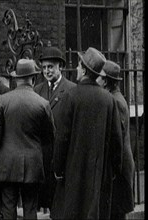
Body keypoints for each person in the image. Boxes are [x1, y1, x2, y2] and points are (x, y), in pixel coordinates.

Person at [51, 47, 123, 219]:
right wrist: (113, 170)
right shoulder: (108, 100)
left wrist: (58, 168)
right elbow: (116, 140)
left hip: (73, 171)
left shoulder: (70, 96)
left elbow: (62, 138)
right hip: (99, 173)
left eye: (78, 65)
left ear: (84, 69)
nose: (76, 68)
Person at [0, 59, 55, 219]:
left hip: (7, 163)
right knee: (30, 209)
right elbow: (50, 136)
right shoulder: (43, 104)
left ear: (16, 79)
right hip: (33, 164)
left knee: (8, 209)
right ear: (33, 78)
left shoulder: (3, 100)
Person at [34, 46, 76, 211]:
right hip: (43, 153)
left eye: (50, 67)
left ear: (61, 67)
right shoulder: (38, 89)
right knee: (45, 199)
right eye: (44, 68)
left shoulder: (71, 89)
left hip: (62, 152)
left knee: (61, 203)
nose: (47, 71)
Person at [101, 60, 135, 220]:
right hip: (118, 166)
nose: (96, 78)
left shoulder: (116, 101)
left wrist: (114, 167)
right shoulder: (112, 97)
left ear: (106, 80)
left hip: (119, 169)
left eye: (99, 76)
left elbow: (117, 140)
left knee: (117, 212)